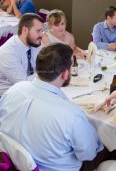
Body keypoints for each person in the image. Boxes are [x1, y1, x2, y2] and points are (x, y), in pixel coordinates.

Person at [0, 43, 103, 171]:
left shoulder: (14, 90)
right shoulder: (72, 115)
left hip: (11, 162)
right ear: (65, 74)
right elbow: (88, 153)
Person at [0, 13, 43, 97]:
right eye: (38, 31)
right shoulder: (8, 52)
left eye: (42, 31)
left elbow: (44, 64)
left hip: (30, 91)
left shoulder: (34, 44)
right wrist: (46, 73)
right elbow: (23, 83)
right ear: (25, 30)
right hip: (8, 97)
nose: (42, 35)